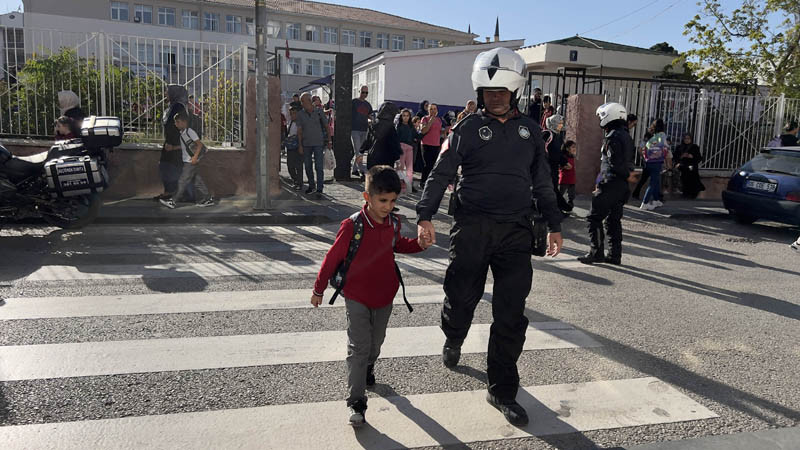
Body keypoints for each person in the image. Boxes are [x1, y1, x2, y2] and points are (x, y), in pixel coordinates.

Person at [416, 47, 563, 426]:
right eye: (488, 92)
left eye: (502, 92)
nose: (495, 98)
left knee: (511, 314)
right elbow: (440, 172)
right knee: (460, 296)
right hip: (472, 228)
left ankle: (502, 390)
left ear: (514, 92)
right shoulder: (465, 129)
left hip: (516, 231)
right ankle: (454, 336)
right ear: (479, 92)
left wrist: (555, 224)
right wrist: (425, 215)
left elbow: (543, 181)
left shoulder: (530, 131)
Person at [311, 165, 430, 427]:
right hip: (356, 296)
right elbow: (332, 258)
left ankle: (368, 366)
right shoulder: (352, 226)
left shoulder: (394, 223)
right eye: (383, 200)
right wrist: (319, 289)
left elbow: (398, 245)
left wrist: (419, 245)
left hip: (385, 295)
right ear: (367, 197)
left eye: (393, 201)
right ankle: (356, 402)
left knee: (376, 344)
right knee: (358, 347)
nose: (388, 206)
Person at [578, 102, 635, 266]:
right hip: (621, 185)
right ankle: (615, 255)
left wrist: (602, 182)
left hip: (611, 183)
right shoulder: (626, 135)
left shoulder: (613, 137)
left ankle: (596, 253)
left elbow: (614, 163)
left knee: (593, 218)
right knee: (613, 220)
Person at [159, 111, 214, 209]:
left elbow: (199, 145)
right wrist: (173, 148)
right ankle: (207, 199)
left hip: (190, 161)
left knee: (182, 181)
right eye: (175, 122)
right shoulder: (183, 133)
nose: (176, 124)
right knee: (197, 182)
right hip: (188, 161)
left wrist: (195, 157)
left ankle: (173, 201)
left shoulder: (190, 132)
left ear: (184, 122)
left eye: (178, 122)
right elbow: (184, 147)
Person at [156, 85, 190, 201]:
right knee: (168, 166)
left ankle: (173, 193)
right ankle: (171, 192)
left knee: (168, 166)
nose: (165, 93)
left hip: (174, 143)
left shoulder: (178, 107)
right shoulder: (174, 106)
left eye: (167, 91)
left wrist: (172, 144)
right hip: (172, 142)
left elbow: (175, 125)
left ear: (174, 93)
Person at [297, 93, 331, 196]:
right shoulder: (300, 114)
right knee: (308, 166)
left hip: (318, 143)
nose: (302, 103)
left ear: (309, 101)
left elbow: (327, 126)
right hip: (306, 143)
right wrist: (300, 145)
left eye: (303, 101)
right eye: (301, 102)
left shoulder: (319, 111)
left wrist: (329, 141)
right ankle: (312, 186)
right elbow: (299, 131)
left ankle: (320, 188)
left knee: (319, 167)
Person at [543, 114, 571, 212]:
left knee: (552, 188)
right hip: (547, 167)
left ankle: (559, 207)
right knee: (551, 188)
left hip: (553, 167)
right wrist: (564, 162)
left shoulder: (557, 136)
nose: (561, 125)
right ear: (554, 124)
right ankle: (560, 207)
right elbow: (554, 153)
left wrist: (564, 161)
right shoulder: (548, 135)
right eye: (559, 123)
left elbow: (559, 152)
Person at [640, 119, 669, 210]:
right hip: (657, 162)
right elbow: (665, 146)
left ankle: (656, 200)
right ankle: (644, 203)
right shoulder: (662, 135)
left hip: (649, 161)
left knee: (656, 181)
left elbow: (645, 148)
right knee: (653, 183)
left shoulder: (653, 137)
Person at [363, 102, 402, 169]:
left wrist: (361, 152)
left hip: (373, 157)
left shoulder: (374, 124)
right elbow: (394, 144)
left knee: (373, 175)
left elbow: (367, 140)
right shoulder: (391, 127)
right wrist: (397, 158)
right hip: (386, 158)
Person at [418, 103, 442, 189]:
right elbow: (423, 130)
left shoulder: (439, 120)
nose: (433, 111)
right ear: (428, 110)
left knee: (434, 165)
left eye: (434, 109)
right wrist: (431, 121)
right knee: (427, 164)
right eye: (431, 109)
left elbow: (439, 132)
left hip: (436, 144)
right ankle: (423, 181)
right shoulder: (425, 119)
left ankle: (430, 182)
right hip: (426, 144)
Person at [351, 86, 374, 178]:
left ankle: (354, 169)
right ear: (359, 91)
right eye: (363, 92)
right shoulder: (354, 102)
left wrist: (372, 121)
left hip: (364, 130)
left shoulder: (368, 105)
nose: (364, 94)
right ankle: (362, 170)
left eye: (366, 93)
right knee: (358, 151)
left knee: (360, 151)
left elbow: (370, 115)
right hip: (355, 129)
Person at [674, 133, 705, 199]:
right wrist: (682, 156)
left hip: (692, 166)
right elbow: (675, 157)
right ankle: (685, 193)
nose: (686, 140)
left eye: (688, 138)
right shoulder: (679, 147)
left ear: (691, 139)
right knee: (684, 179)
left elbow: (699, 158)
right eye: (685, 138)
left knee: (693, 178)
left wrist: (692, 156)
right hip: (683, 166)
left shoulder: (694, 147)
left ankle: (693, 194)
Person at [396, 108, 420, 192]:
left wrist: (418, 137)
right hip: (401, 147)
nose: (405, 117)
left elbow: (416, 136)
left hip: (410, 147)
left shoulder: (411, 126)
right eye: (404, 115)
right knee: (401, 167)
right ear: (401, 117)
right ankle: (399, 185)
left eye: (407, 116)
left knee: (410, 168)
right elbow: (396, 138)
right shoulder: (399, 126)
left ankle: (409, 186)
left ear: (410, 117)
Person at [284, 106, 303, 190]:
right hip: (291, 146)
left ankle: (299, 182)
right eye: (291, 114)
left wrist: (300, 145)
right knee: (290, 165)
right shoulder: (291, 122)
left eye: (294, 113)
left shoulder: (301, 123)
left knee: (298, 165)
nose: (292, 115)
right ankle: (295, 179)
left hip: (298, 146)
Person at [559, 140, 577, 209]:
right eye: (573, 147)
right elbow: (560, 166)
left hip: (572, 179)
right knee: (561, 193)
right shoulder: (564, 157)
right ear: (567, 148)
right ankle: (558, 205)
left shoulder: (573, 156)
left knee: (572, 194)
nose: (574, 149)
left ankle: (570, 205)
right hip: (564, 178)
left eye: (575, 147)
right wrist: (566, 167)